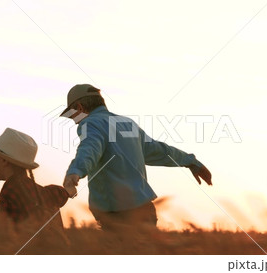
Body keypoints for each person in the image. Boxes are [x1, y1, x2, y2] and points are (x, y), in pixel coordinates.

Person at [60, 84, 212, 231]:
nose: (74, 120)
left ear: (80, 108)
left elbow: (90, 148)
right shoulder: (127, 124)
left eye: (71, 114)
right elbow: (159, 150)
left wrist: (75, 172)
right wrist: (191, 161)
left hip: (118, 214)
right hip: (145, 209)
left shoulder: (90, 123)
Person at [0, 127, 69, 252]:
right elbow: (59, 194)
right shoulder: (41, 192)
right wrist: (68, 191)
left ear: (4, 161)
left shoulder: (11, 191)